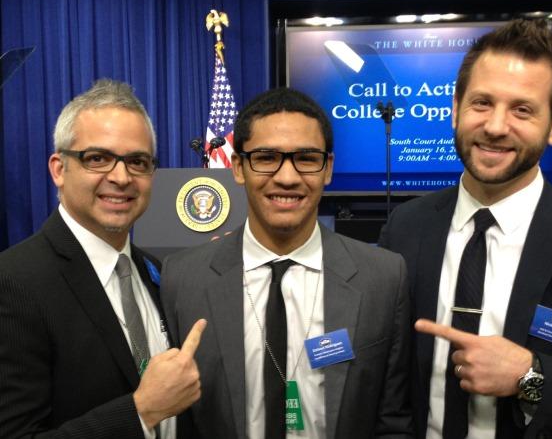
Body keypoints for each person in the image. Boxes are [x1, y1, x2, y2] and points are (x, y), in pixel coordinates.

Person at [378, 19, 552, 438]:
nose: (495, 126)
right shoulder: (405, 227)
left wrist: (529, 378)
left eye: (522, 109)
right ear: (455, 109)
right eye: (481, 103)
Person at [160, 87, 412, 438]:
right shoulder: (184, 278)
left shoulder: (383, 277)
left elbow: (393, 421)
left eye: (307, 158)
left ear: (328, 169)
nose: (287, 177)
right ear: (237, 167)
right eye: (266, 157)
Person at [0, 79, 206, 439]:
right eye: (98, 159)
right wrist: (141, 411)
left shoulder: (154, 271)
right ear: (58, 169)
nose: (122, 177)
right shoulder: (13, 282)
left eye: (137, 161)